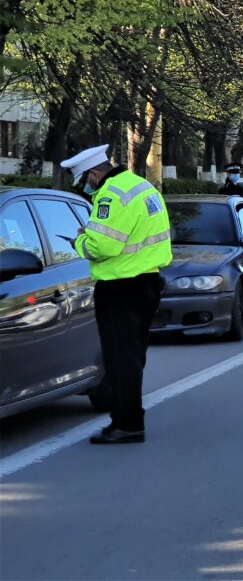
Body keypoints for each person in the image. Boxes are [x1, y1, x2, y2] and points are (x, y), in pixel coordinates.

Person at [60, 144, 172, 444]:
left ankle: (127, 423)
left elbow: (103, 247)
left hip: (120, 286)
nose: (87, 186)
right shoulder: (141, 186)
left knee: (120, 359)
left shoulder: (111, 195)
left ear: (94, 173)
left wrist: (79, 243)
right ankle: (129, 418)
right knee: (133, 356)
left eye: (86, 180)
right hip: (147, 282)